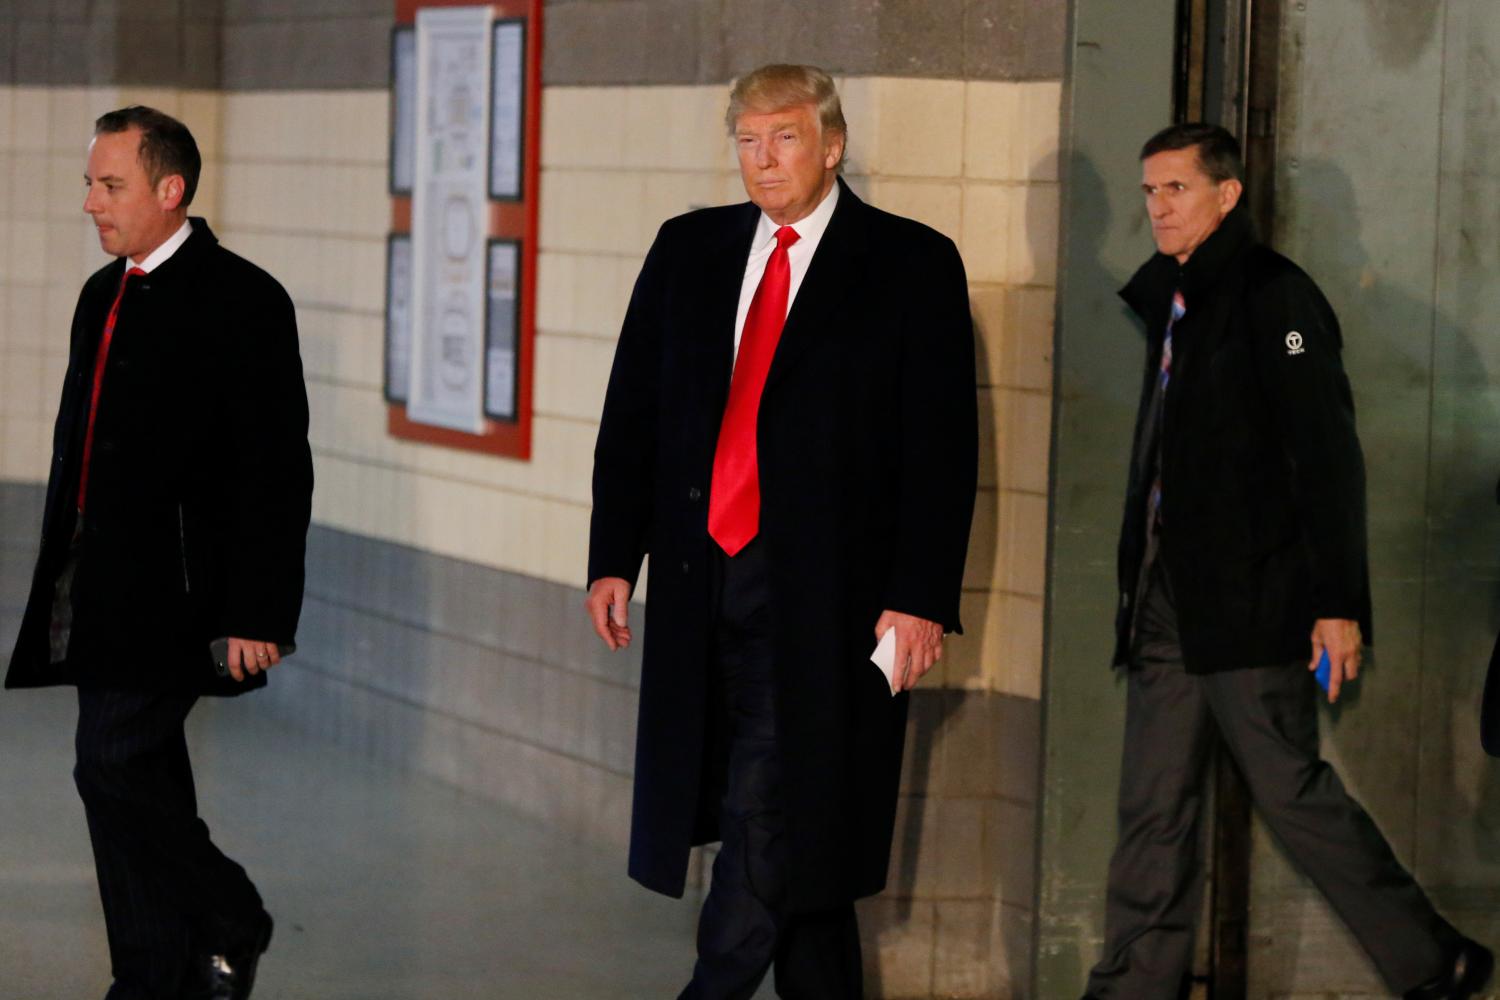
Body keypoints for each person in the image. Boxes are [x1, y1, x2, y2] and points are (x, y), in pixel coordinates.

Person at [584, 63, 977, 999]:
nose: (764, 161)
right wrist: (613, 557)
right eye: (749, 142)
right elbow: (633, 413)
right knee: (795, 827)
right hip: (699, 578)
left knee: (770, 809)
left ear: (832, 145)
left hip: (827, 599)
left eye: (786, 138)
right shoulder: (689, 249)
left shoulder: (910, 262)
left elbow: (941, 447)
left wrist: (920, 596)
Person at [1084, 122, 1491, 999]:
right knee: (1153, 806)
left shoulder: (1277, 299)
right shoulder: (1172, 296)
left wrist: (1337, 603)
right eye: (1150, 191)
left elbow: (1327, 457)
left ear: (1226, 195)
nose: (1157, 206)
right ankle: (1130, 988)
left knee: (1295, 797)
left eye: (1177, 189)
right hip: (1166, 600)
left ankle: (1436, 961)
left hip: (1251, 601)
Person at [6, 106, 313, 1000]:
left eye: (112, 185)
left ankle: (230, 914)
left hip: (183, 594)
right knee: (133, 779)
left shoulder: (244, 298)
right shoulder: (103, 292)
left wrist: (259, 611)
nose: (92, 202)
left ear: (169, 190)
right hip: (97, 586)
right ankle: (153, 974)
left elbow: (275, 470)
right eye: (90, 184)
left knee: (108, 763)